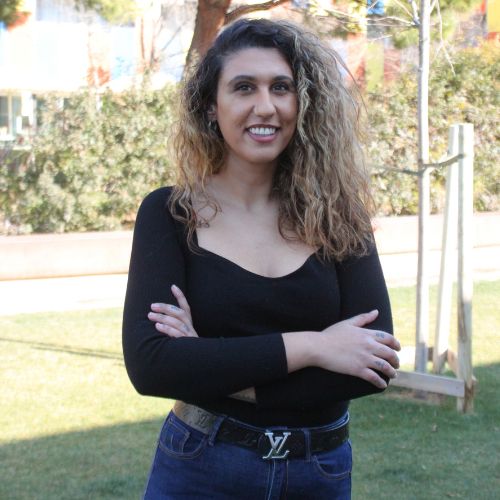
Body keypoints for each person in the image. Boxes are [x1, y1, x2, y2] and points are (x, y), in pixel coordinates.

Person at [122, 18, 401, 500]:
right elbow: (153, 367)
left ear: (303, 102)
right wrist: (315, 347)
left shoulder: (340, 216)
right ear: (211, 107)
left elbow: (374, 364)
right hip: (200, 468)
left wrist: (208, 362)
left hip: (319, 474)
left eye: (281, 87)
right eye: (244, 87)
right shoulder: (170, 213)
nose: (266, 106)